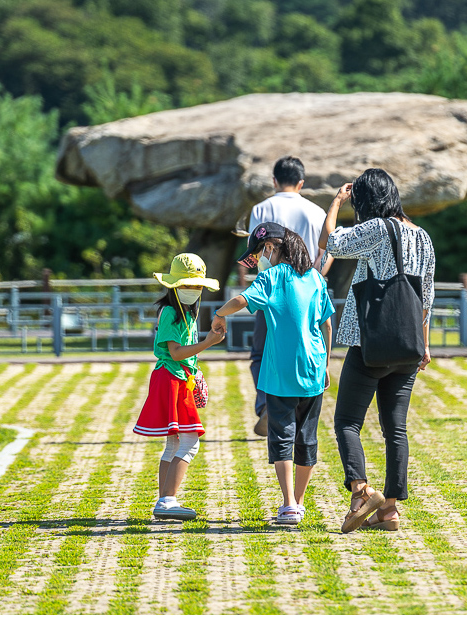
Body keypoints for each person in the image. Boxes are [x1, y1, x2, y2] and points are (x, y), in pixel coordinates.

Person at [318, 169, 435, 534]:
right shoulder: (423, 237)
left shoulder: (376, 229)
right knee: (395, 429)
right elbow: (426, 298)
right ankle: (390, 512)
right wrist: (424, 344)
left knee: (346, 422)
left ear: (366, 202)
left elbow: (330, 243)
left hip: (371, 343)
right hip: (408, 346)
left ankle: (361, 491)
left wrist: (336, 202)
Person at [213, 221, 334, 525]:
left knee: (281, 435)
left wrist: (218, 314)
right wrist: (326, 364)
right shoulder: (315, 278)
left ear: (270, 247)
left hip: (280, 372)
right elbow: (327, 325)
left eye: (258, 252)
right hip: (313, 369)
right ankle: (300, 502)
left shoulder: (271, 277)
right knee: (307, 436)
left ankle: (289, 503)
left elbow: (241, 300)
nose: (258, 260)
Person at [132, 253, 224, 521]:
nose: (193, 291)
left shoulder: (185, 312)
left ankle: (164, 500)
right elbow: (175, 352)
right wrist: (208, 343)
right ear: (173, 286)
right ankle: (167, 500)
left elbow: (184, 355)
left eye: (197, 286)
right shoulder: (172, 311)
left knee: (173, 443)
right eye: (186, 285)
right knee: (190, 441)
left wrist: (196, 371)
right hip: (171, 378)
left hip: (176, 378)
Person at [245, 155, 330, 437]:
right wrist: (316, 276)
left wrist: (255, 279)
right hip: (308, 287)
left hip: (269, 289)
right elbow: (326, 253)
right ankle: (299, 405)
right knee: (305, 345)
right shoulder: (317, 211)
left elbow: (254, 253)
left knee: (261, 352)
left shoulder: (260, 209)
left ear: (274, 181)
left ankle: (268, 406)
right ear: (302, 182)